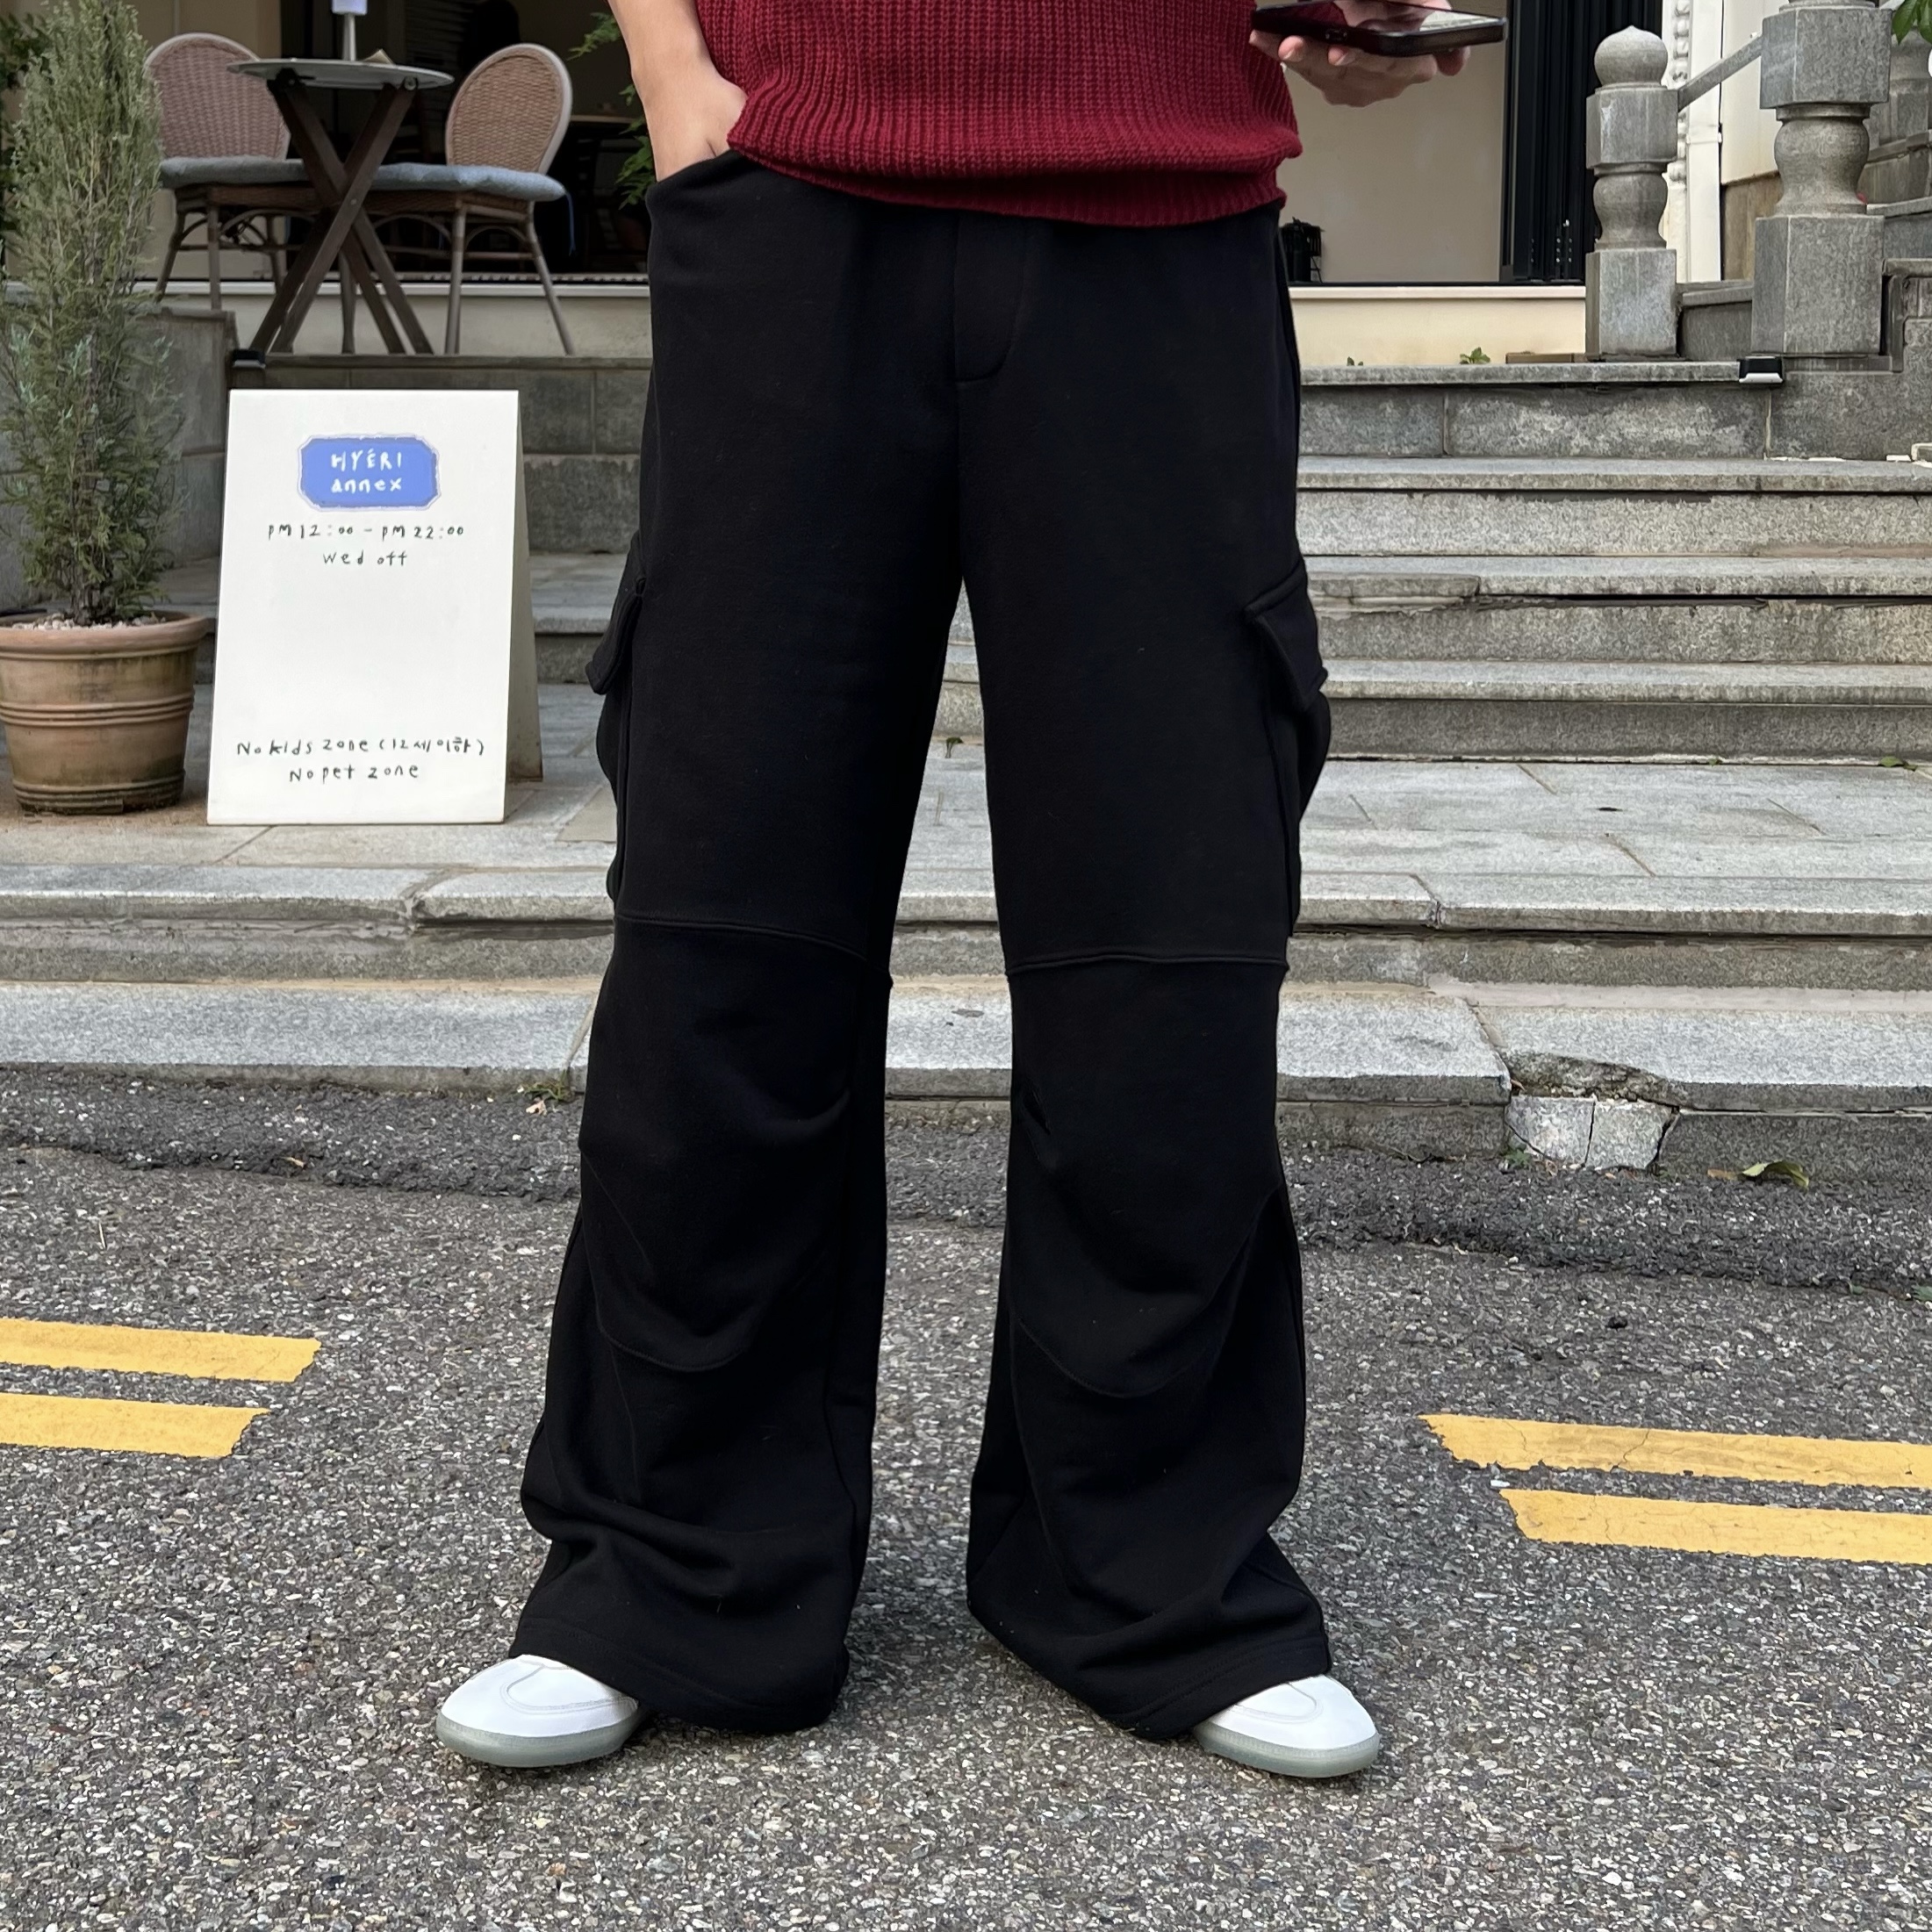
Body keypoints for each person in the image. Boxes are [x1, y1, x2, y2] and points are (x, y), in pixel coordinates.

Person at [436, 0, 1465, 1781]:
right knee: (722, 918)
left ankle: (1150, 1569)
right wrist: (675, 75)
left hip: (1163, 215)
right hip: (792, 195)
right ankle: (674, 1565)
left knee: (1172, 927)